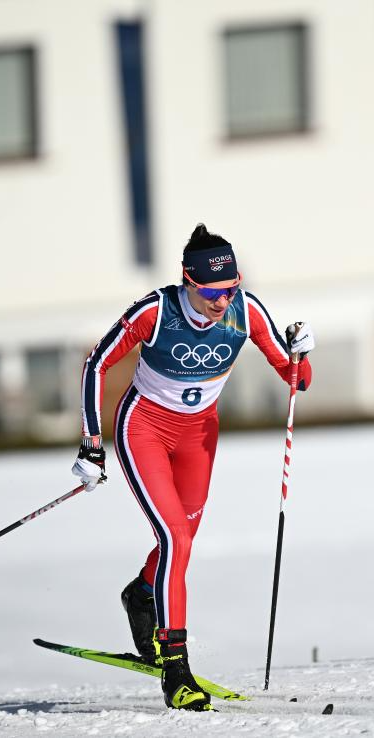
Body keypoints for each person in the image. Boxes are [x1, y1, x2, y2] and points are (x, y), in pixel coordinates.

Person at [70, 224, 315, 711]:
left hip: (198, 435)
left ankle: (143, 593)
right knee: (176, 539)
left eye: (231, 288)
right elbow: (96, 364)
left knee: (181, 541)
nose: (223, 301)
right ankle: (176, 670)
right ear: (189, 281)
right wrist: (92, 444)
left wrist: (301, 353)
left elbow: (296, 379)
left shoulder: (246, 312)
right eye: (212, 291)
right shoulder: (155, 311)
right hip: (144, 428)